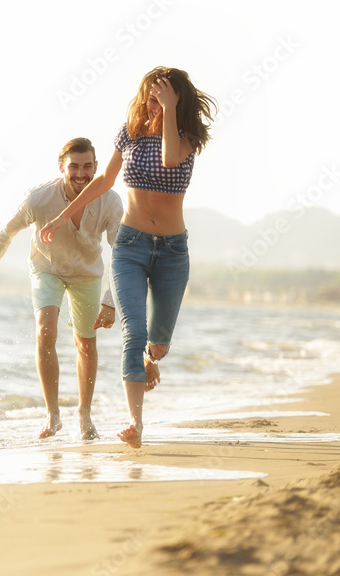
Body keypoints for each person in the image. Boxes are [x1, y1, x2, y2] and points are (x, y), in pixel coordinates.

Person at [39, 67, 216, 448]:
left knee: (157, 344)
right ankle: (135, 423)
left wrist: (169, 110)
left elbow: (170, 159)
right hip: (130, 246)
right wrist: (62, 215)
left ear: (177, 102)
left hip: (172, 252)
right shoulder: (129, 133)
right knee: (132, 333)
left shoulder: (186, 137)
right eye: (151, 96)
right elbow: (104, 181)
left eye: (163, 98)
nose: (154, 104)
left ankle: (153, 358)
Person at [0, 138, 123, 440]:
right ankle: (52, 413)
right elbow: (8, 228)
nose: (81, 173)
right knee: (46, 331)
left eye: (87, 167)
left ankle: (84, 413)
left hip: (87, 274)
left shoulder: (109, 201)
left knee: (86, 343)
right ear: (62, 167)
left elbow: (122, 253)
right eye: (74, 167)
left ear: (97, 167)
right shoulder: (40, 198)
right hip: (47, 268)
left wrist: (111, 300)